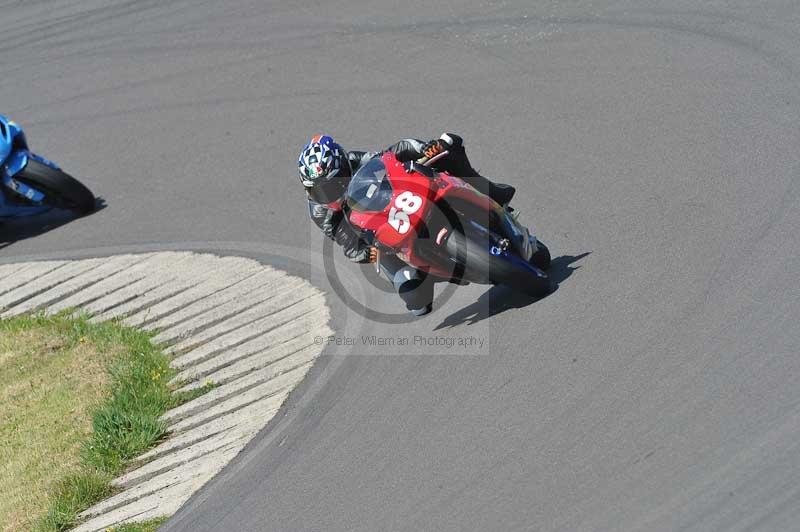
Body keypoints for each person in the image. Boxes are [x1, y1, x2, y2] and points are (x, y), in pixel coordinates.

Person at [298, 133, 515, 315]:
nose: (330, 194)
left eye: (334, 184)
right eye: (320, 191)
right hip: (381, 236)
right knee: (415, 299)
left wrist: (426, 149)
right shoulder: (320, 212)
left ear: (344, 165)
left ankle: (492, 194)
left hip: (399, 203)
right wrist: (368, 252)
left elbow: (393, 155)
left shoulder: (356, 161)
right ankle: (431, 270)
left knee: (448, 146)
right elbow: (349, 244)